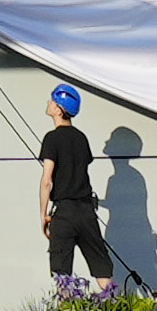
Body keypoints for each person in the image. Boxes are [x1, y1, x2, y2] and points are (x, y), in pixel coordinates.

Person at [38, 85, 113, 286]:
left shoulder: (52, 138)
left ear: (59, 109)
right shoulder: (81, 138)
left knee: (62, 273)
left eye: (52, 101)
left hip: (64, 213)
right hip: (87, 211)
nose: (48, 103)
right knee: (101, 266)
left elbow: (47, 181)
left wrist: (43, 215)